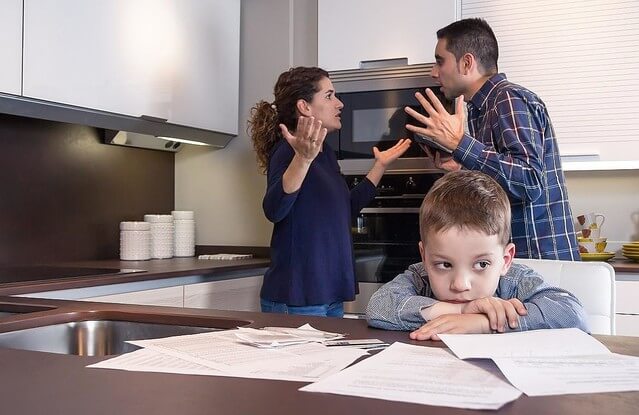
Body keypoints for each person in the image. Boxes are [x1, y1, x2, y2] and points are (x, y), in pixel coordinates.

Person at [405, 18, 580, 261]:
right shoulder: (480, 109)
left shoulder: (507, 98)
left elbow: (529, 181)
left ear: (467, 62)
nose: (433, 72)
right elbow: (504, 183)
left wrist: (459, 144)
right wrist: (461, 167)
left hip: (539, 260)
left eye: (439, 61)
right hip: (516, 260)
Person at [249, 66, 410, 317]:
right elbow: (274, 209)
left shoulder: (325, 155)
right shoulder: (288, 151)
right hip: (299, 298)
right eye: (329, 96)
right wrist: (302, 159)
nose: (339, 103)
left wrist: (380, 166)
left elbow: (345, 209)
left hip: (329, 295)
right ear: (305, 106)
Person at [366, 170, 589, 340]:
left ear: (505, 260)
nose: (460, 285)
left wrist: (481, 323)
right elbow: (378, 308)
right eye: (444, 264)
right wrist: (461, 310)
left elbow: (572, 314)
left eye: (481, 264)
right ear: (424, 256)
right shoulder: (419, 276)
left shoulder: (515, 280)